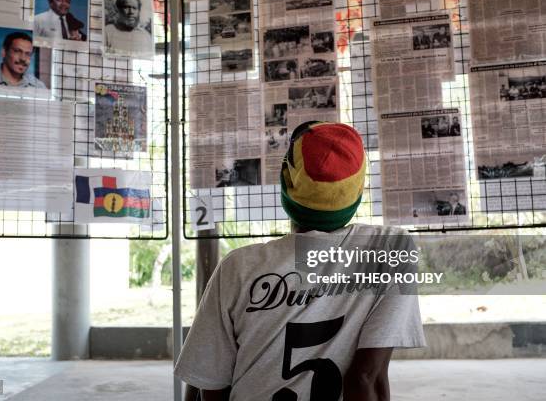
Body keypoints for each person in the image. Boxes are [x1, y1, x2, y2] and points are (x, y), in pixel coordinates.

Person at [175, 121, 426, 401]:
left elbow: (208, 383)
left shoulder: (237, 267)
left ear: (286, 183)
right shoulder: (391, 250)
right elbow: (366, 378)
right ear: (357, 191)